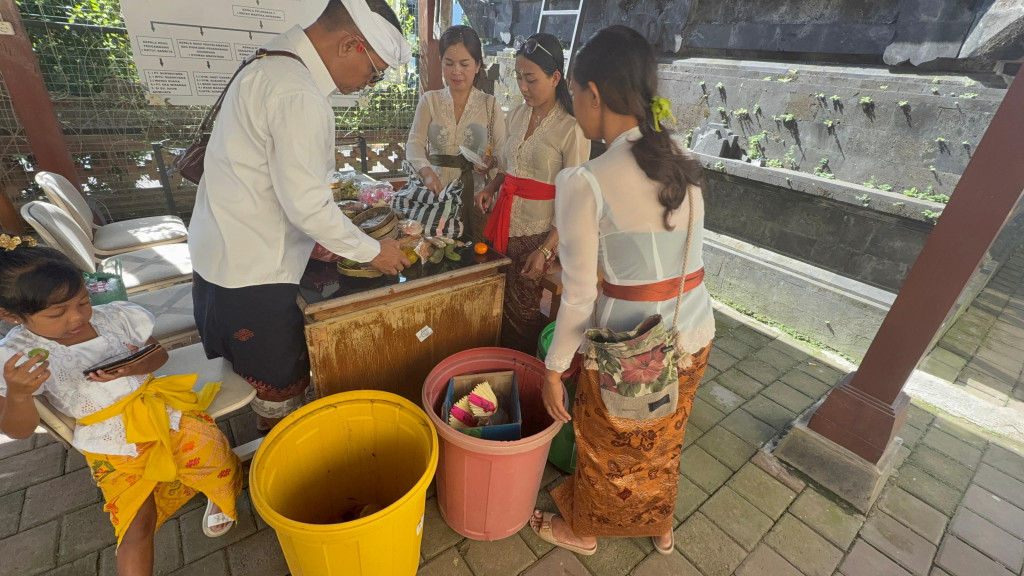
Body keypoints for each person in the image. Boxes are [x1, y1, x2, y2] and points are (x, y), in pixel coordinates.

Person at [531, 25, 716, 556]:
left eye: (575, 93)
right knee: (664, 436)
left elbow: (579, 296)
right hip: (693, 331)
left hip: (629, 348)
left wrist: (553, 369)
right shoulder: (680, 161)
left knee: (603, 445)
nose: (575, 105)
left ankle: (584, 531)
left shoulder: (587, 181)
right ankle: (660, 525)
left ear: (593, 94)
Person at [187, 0, 412, 433]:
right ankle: (278, 451)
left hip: (221, 253)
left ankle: (268, 435)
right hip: (254, 269)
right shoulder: (298, 93)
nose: (368, 85)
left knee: (250, 371)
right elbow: (307, 204)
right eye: (374, 73)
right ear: (350, 44)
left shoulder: (270, 61)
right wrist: (372, 251)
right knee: (277, 385)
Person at [0, 240, 241, 576]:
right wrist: (19, 395)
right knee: (135, 523)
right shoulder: (15, 357)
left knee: (214, 451)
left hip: (160, 410)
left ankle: (218, 492)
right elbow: (18, 430)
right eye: (57, 313)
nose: (77, 317)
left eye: (83, 301)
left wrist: (136, 366)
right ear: (11, 315)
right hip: (110, 441)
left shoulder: (115, 317)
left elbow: (158, 355)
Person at [474, 33, 590, 354]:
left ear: (555, 78)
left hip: (538, 234)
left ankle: (521, 368)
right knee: (495, 298)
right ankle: (495, 360)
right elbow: (510, 164)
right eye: (518, 77)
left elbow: (575, 200)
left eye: (531, 79)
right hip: (504, 220)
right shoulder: (517, 114)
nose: (523, 87)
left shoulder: (572, 129)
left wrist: (545, 249)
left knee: (522, 309)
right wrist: (491, 186)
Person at [406, 25, 506, 243]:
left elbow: (503, 151)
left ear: (477, 65)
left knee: (474, 253)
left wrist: (491, 161)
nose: (456, 71)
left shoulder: (490, 105)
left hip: (476, 198)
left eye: (464, 64)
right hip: (436, 196)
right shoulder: (430, 101)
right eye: (449, 63)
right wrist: (426, 172)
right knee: (436, 252)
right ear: (441, 61)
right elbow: (414, 143)